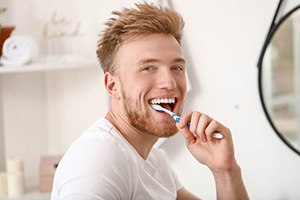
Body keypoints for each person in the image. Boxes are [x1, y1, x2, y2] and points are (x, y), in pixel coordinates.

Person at [51, 3, 249, 200]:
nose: (169, 83)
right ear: (113, 86)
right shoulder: (96, 160)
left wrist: (226, 170)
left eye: (176, 68)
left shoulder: (155, 160)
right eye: (148, 68)